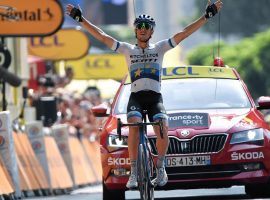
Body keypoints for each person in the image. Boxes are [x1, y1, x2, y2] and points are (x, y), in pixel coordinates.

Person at [66, 0, 223, 189]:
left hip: (155, 97)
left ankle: (161, 167)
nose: (142, 29)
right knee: (133, 123)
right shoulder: (127, 49)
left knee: (163, 125)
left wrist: (206, 16)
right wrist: (81, 20)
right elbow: (102, 36)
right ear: (135, 31)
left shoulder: (159, 48)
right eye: (139, 26)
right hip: (136, 98)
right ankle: (133, 171)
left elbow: (184, 33)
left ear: (151, 32)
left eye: (146, 27)